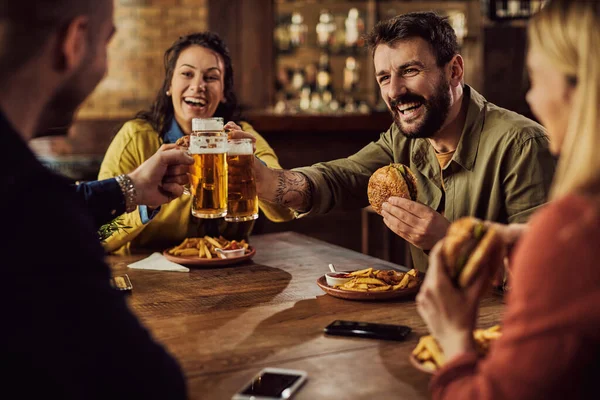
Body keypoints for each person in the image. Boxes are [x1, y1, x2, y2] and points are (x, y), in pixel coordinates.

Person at [243, 11, 556, 271]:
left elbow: (545, 273)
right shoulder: (404, 139)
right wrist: (272, 183)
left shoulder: (522, 144)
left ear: (454, 71)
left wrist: (449, 240)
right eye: (383, 78)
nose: (394, 91)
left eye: (409, 70)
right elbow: (344, 177)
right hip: (432, 322)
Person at [1, 1, 188, 397]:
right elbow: (149, 383)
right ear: (74, 41)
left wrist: (130, 188)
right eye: (107, 42)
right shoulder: (33, 208)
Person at [416, 0, 600, 398]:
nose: (532, 99)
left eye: (535, 78)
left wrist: (453, 339)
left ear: (579, 87)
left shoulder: (574, 230)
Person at [99, 32, 294, 254]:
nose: (198, 85)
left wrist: (253, 170)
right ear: (169, 85)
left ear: (223, 93)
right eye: (187, 73)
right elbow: (100, 233)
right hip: (150, 278)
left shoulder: (242, 139)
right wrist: (146, 204)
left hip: (229, 274)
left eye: (211, 77)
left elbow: (285, 211)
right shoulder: (135, 139)